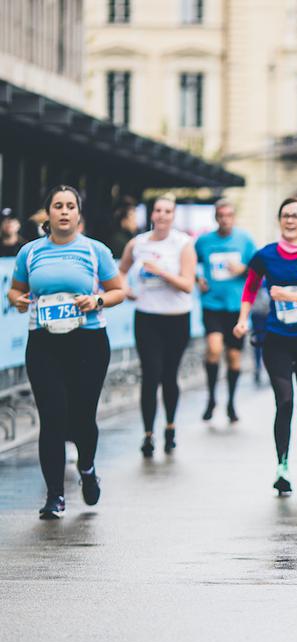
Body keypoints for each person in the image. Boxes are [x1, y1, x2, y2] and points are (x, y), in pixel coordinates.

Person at [5, 185, 127, 519]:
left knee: (83, 417)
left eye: (70, 206)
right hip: (44, 343)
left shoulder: (94, 251)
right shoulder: (30, 252)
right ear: (49, 213)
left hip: (88, 341)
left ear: (78, 213)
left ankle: (87, 468)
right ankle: (55, 496)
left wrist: (97, 300)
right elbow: (15, 292)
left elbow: (119, 291)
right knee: (53, 417)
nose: (63, 211)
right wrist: (17, 300)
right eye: (57, 205)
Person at [233, 197, 297, 496]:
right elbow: (250, 288)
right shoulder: (266, 255)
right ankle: (282, 467)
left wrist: (290, 296)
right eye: (285, 215)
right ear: (280, 220)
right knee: (284, 401)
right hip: (277, 339)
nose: (290, 220)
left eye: (296, 216)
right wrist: (242, 319)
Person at [119, 194, 197, 457]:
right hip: (147, 316)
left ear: (173, 216)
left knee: (169, 375)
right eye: (158, 210)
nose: (162, 215)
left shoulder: (183, 244)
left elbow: (187, 285)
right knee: (150, 374)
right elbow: (120, 271)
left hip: (176, 317)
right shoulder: (137, 243)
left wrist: (160, 271)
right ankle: (148, 434)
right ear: (151, 214)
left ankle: (171, 427)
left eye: (168, 211)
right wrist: (125, 289)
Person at [195, 199, 256, 423]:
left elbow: (258, 270)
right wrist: (197, 278)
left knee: (233, 356)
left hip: (236, 306)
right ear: (215, 217)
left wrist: (244, 269)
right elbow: (191, 263)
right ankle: (211, 397)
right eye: (221, 215)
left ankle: (230, 401)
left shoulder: (245, 240)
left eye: (229, 215)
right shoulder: (203, 242)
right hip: (212, 304)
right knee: (213, 348)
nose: (225, 219)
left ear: (234, 217)